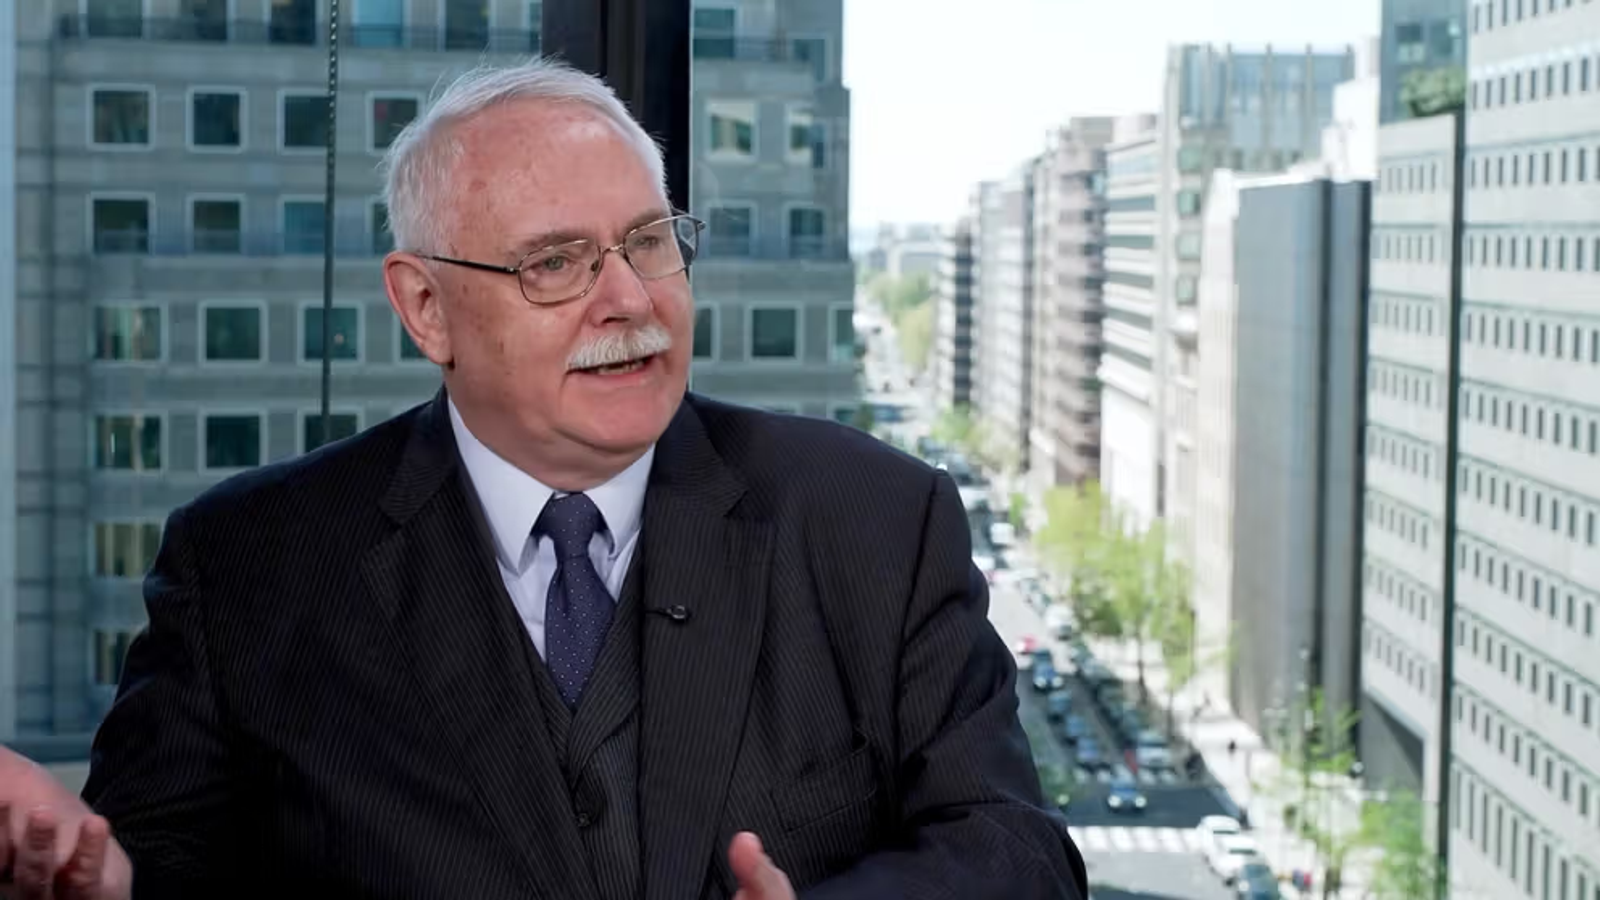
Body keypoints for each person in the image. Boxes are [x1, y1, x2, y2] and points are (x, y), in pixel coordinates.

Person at [0, 59, 1086, 900]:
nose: (630, 300)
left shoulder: (875, 520)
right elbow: (159, 867)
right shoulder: (247, 566)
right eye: (555, 264)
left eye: (649, 242)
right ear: (426, 308)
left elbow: (1017, 850)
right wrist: (107, 881)